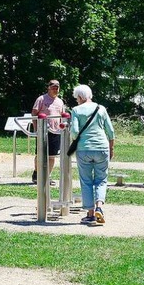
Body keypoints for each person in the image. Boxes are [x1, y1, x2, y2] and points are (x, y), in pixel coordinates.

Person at [70, 84, 115, 226]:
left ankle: (90, 213)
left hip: (84, 149)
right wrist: (111, 147)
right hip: (102, 147)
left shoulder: (76, 110)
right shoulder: (101, 109)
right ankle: (99, 207)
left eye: (77, 98)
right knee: (101, 179)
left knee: (86, 181)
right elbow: (111, 131)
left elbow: (75, 131)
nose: (76, 101)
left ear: (80, 97)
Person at [31, 79, 65, 185]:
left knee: (52, 156)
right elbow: (34, 113)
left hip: (55, 131)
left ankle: (47, 176)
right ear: (48, 87)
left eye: (57, 87)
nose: (55, 89)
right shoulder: (41, 99)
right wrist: (36, 129)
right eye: (53, 87)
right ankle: (37, 174)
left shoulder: (60, 101)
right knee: (40, 154)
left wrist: (62, 129)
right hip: (43, 131)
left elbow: (62, 116)